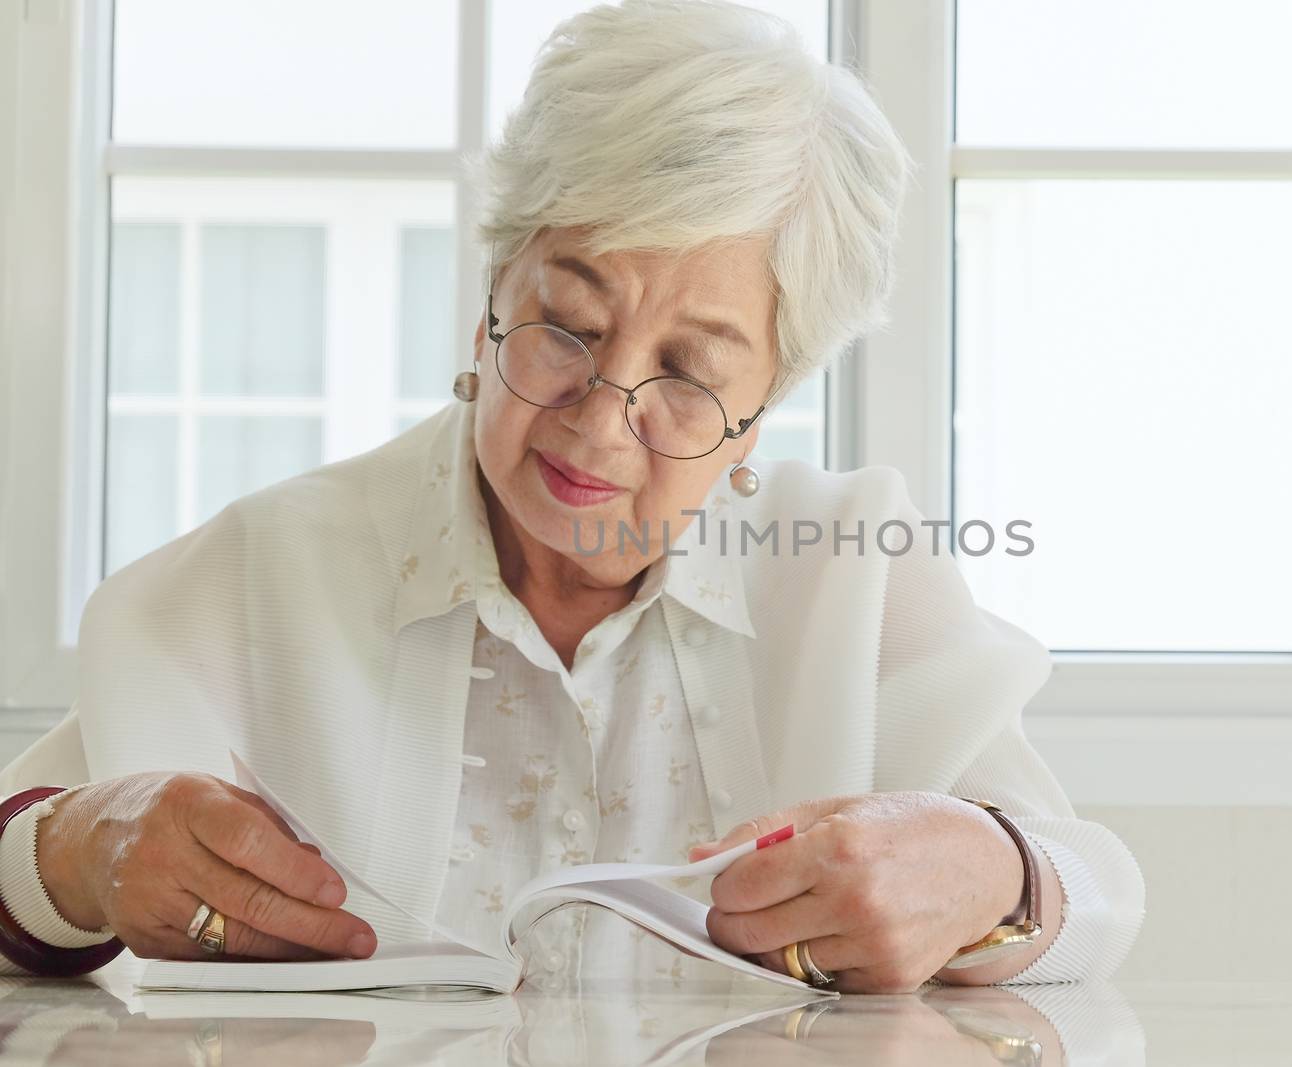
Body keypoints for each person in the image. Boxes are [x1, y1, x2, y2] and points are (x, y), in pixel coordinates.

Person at [0, 0, 1143, 992]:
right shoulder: (267, 569)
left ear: (770, 396)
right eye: (567, 327)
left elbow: (1093, 886)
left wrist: (994, 874)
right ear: (493, 283)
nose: (601, 420)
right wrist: (72, 854)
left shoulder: (852, 567)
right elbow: (29, 859)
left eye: (691, 374)